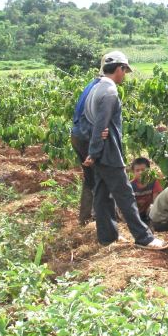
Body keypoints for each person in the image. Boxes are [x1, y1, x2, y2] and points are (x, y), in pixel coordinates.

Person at [84, 51, 167, 250]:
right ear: (120, 68)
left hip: (100, 151)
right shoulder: (110, 92)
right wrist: (94, 153)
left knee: (102, 195)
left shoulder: (96, 87)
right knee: (125, 195)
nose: (125, 75)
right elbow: (101, 125)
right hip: (108, 152)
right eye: (125, 71)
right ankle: (143, 237)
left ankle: (107, 237)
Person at [70, 72, 101, 224]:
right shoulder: (103, 88)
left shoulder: (92, 84)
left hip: (77, 135)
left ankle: (85, 218)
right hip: (86, 136)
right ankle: (98, 218)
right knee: (101, 177)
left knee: (90, 178)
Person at [130, 157, 164, 223]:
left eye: (143, 170)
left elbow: (156, 201)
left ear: (149, 170)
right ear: (133, 172)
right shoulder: (130, 185)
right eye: (137, 170)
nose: (140, 172)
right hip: (134, 213)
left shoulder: (153, 182)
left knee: (154, 208)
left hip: (147, 213)